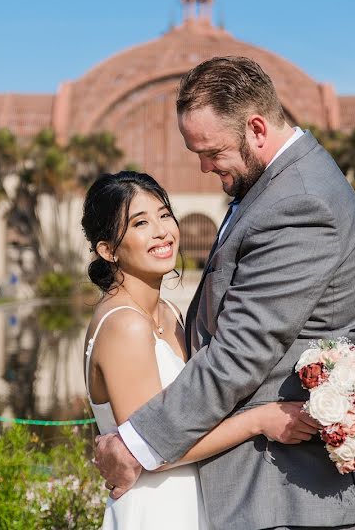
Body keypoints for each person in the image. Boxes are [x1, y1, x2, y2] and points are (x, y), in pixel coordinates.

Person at [94, 57, 355, 529]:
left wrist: (135, 442)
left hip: (286, 494)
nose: (204, 167)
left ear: (257, 129)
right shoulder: (274, 188)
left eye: (211, 151)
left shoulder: (299, 202)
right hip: (259, 488)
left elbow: (241, 352)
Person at [82, 170, 317, 530]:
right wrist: (258, 420)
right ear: (108, 249)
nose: (162, 231)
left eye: (164, 215)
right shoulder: (124, 326)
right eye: (140, 223)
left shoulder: (169, 313)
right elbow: (150, 447)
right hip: (153, 509)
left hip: (190, 500)